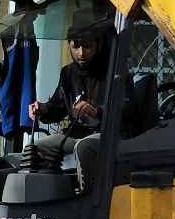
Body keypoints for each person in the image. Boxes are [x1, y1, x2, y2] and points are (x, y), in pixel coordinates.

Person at [28, 25, 113, 190]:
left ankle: (85, 197)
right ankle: (45, 194)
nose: (81, 53)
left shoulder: (114, 70)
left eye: (87, 46)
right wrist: (43, 108)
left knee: (84, 148)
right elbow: (58, 106)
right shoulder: (68, 73)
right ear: (69, 44)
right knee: (35, 148)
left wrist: (97, 112)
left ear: (99, 45)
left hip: (105, 135)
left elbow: (126, 109)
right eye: (76, 46)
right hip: (75, 134)